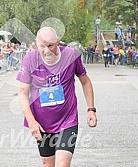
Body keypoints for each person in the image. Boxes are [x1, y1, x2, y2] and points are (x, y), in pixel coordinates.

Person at [16, 27, 97, 167]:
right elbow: (22, 92)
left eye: (50, 46)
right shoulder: (30, 58)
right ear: (36, 44)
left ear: (58, 42)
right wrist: (31, 121)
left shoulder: (71, 55)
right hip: (42, 123)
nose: (46, 50)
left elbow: (85, 81)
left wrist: (91, 109)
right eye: (42, 46)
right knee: (47, 164)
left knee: (63, 164)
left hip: (67, 120)